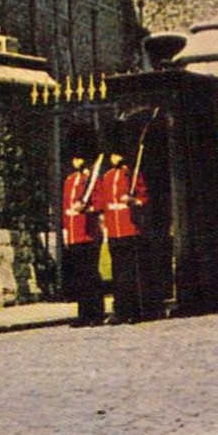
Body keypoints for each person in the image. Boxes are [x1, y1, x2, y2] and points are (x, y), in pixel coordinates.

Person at [96, 122, 149, 324]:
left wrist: (133, 201)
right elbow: (103, 203)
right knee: (118, 274)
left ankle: (134, 311)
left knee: (132, 273)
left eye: (117, 153)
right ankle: (120, 310)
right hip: (114, 231)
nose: (114, 157)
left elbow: (144, 199)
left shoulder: (133, 175)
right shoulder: (107, 177)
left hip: (130, 228)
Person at [60, 125, 105, 327]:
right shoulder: (70, 181)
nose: (74, 160)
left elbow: (100, 203)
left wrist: (87, 209)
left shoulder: (92, 180)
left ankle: (95, 313)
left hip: (88, 233)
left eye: (78, 156)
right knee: (79, 277)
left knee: (91, 275)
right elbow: (64, 208)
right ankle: (83, 313)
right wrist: (65, 233)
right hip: (74, 234)